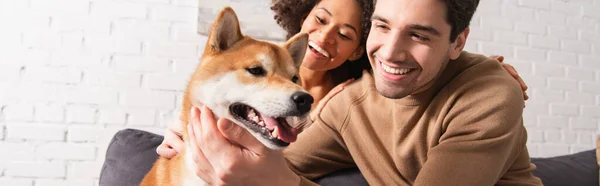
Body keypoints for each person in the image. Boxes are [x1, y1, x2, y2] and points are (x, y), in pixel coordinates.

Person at [159, 0, 541, 185]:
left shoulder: (488, 92)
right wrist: (200, 140)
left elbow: (278, 177)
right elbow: (275, 162)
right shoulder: (349, 104)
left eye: (419, 35)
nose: (390, 52)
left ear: (458, 42)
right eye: (381, 27)